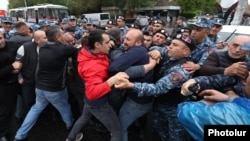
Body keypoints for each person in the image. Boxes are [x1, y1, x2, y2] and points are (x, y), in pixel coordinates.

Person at [115, 34, 197, 141]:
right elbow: (157, 48)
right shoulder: (170, 54)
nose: (169, 46)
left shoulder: (182, 71)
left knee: (175, 137)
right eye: (170, 43)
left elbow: (158, 89)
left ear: (185, 51)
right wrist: (156, 51)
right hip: (159, 105)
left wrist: (131, 85)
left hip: (174, 111)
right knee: (160, 131)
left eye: (175, 45)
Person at [14, 26, 78, 141]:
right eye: (62, 34)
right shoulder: (64, 49)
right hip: (56, 89)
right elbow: (77, 51)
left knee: (35, 109)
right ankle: (71, 125)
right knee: (64, 107)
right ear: (58, 37)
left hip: (40, 87)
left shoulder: (43, 48)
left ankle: (20, 134)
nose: (64, 35)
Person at [66, 29, 128, 141]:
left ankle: (70, 138)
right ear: (97, 44)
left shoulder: (88, 51)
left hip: (89, 101)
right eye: (107, 42)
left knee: (84, 117)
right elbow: (92, 93)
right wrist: (112, 80)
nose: (110, 45)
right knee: (117, 131)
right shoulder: (94, 67)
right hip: (98, 103)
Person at [109, 29, 154, 141]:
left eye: (128, 39)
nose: (125, 41)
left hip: (138, 101)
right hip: (139, 98)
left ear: (138, 42)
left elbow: (114, 67)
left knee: (119, 127)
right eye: (124, 38)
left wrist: (124, 68)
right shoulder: (140, 50)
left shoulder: (137, 51)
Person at [178, 74, 250, 141]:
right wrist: (229, 99)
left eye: (245, 83)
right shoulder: (243, 105)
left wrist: (206, 102)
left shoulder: (227, 115)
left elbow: (187, 113)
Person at [15, 31, 47, 118]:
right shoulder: (24, 48)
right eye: (44, 38)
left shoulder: (47, 47)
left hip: (41, 82)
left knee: (39, 101)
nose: (47, 39)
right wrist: (19, 77)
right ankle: (28, 118)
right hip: (27, 81)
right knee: (28, 101)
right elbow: (17, 64)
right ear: (37, 41)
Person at [0, 32, 22, 141]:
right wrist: (11, 67)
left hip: (17, 82)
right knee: (4, 111)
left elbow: (23, 53)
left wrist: (20, 66)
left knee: (16, 108)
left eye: (0, 38)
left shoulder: (13, 44)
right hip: (4, 86)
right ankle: (3, 134)